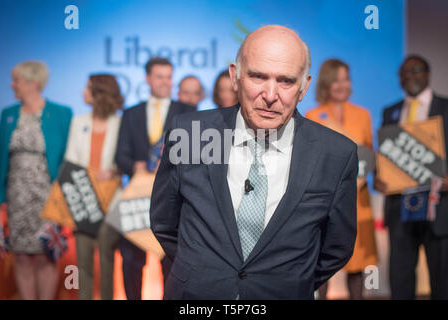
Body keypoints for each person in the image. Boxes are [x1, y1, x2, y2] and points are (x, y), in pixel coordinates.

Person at [150, 25, 358, 300]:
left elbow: (336, 248)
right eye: (258, 77)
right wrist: (204, 270)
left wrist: (287, 282)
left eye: (286, 81)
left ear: (304, 86)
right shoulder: (189, 134)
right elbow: (165, 221)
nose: (270, 95)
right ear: (235, 76)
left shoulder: (336, 154)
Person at [115, 57, 194, 300]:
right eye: (159, 76)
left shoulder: (187, 112)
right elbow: (120, 156)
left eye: (169, 77)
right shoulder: (131, 113)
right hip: (137, 199)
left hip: (171, 201)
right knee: (130, 261)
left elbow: (194, 156)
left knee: (171, 264)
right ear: (147, 79)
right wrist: (134, 164)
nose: (165, 82)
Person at [375, 55, 448, 299]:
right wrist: (379, 177)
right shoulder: (390, 112)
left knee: (443, 282)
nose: (410, 76)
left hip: (439, 209)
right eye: (404, 72)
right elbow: (385, 156)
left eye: (416, 70)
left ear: (428, 73)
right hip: (400, 209)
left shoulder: (446, 107)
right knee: (401, 280)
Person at [0, 61, 72, 299]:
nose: (12, 85)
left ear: (33, 83)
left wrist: (63, 197)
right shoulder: (9, 115)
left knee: (44, 254)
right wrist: (0, 199)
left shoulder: (61, 113)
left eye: (16, 80)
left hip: (47, 196)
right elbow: (0, 158)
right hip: (16, 196)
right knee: (20, 255)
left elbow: (67, 158)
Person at [306, 59, 377, 300]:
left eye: (346, 78)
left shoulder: (363, 115)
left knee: (358, 264)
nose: (342, 84)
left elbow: (369, 154)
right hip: (324, 199)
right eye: (336, 79)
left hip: (359, 199)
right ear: (326, 82)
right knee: (320, 263)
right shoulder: (312, 115)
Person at [64, 74, 123, 300]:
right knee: (83, 263)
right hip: (83, 201)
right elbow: (70, 160)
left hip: (110, 203)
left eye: (87, 88)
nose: (82, 92)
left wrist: (115, 171)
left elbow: (123, 161)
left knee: (107, 261)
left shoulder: (120, 123)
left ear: (100, 92)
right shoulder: (79, 122)